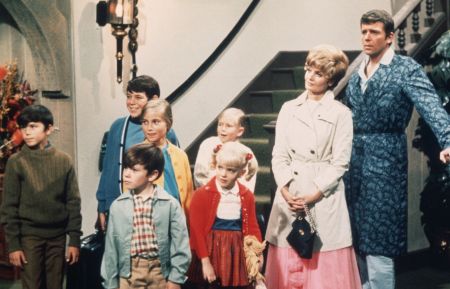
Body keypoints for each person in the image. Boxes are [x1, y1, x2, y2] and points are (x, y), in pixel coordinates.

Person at [343, 9, 450, 289]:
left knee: (380, 233)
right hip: (353, 161)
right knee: (355, 232)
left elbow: (430, 104)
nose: (367, 37)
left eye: (374, 32)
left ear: (390, 37)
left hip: (386, 158)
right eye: (364, 31)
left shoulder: (405, 69)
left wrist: (447, 138)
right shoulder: (357, 73)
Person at [264, 45, 361, 289]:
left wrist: (314, 193)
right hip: (291, 194)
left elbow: (340, 163)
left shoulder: (341, 114)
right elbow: (279, 155)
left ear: (330, 80)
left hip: (322, 196)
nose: (309, 76)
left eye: (317, 73)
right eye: (308, 70)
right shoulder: (289, 108)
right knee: (288, 259)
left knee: (323, 266)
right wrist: (286, 190)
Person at [0, 105, 82, 289]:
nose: (27, 132)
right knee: (32, 285)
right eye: (23, 127)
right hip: (29, 237)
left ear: (49, 129)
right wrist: (14, 245)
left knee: (56, 285)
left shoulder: (63, 160)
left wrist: (74, 240)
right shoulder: (16, 162)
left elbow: (73, 203)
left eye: (33, 126)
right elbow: (9, 207)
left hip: (58, 237)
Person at [101, 143, 191, 289]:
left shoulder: (169, 204)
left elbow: (180, 243)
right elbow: (111, 248)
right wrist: (111, 283)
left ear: (153, 174)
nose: (126, 174)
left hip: (159, 272)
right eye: (126, 167)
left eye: (134, 170)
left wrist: (176, 278)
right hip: (128, 273)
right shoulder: (118, 206)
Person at [96, 75, 179, 232]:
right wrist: (102, 205)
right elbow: (108, 170)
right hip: (119, 205)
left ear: (153, 99)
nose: (131, 102)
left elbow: (173, 175)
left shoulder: (166, 133)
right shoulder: (118, 127)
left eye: (138, 97)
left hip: (154, 212)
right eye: (129, 96)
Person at [188, 141, 262, 288]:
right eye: (220, 167)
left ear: (241, 173)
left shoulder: (246, 196)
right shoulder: (202, 194)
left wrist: (257, 254)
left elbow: (252, 227)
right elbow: (196, 231)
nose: (223, 174)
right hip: (209, 252)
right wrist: (205, 261)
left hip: (235, 252)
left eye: (230, 170)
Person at [141, 99, 193, 215]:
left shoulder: (180, 155)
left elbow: (189, 195)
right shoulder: (137, 154)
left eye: (155, 122)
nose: (149, 128)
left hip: (177, 217)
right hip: (148, 219)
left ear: (168, 124)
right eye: (145, 122)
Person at [194, 107, 258, 191]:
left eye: (228, 126)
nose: (222, 129)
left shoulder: (246, 152)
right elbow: (200, 175)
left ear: (240, 131)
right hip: (209, 194)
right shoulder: (207, 145)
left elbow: (248, 180)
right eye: (220, 124)